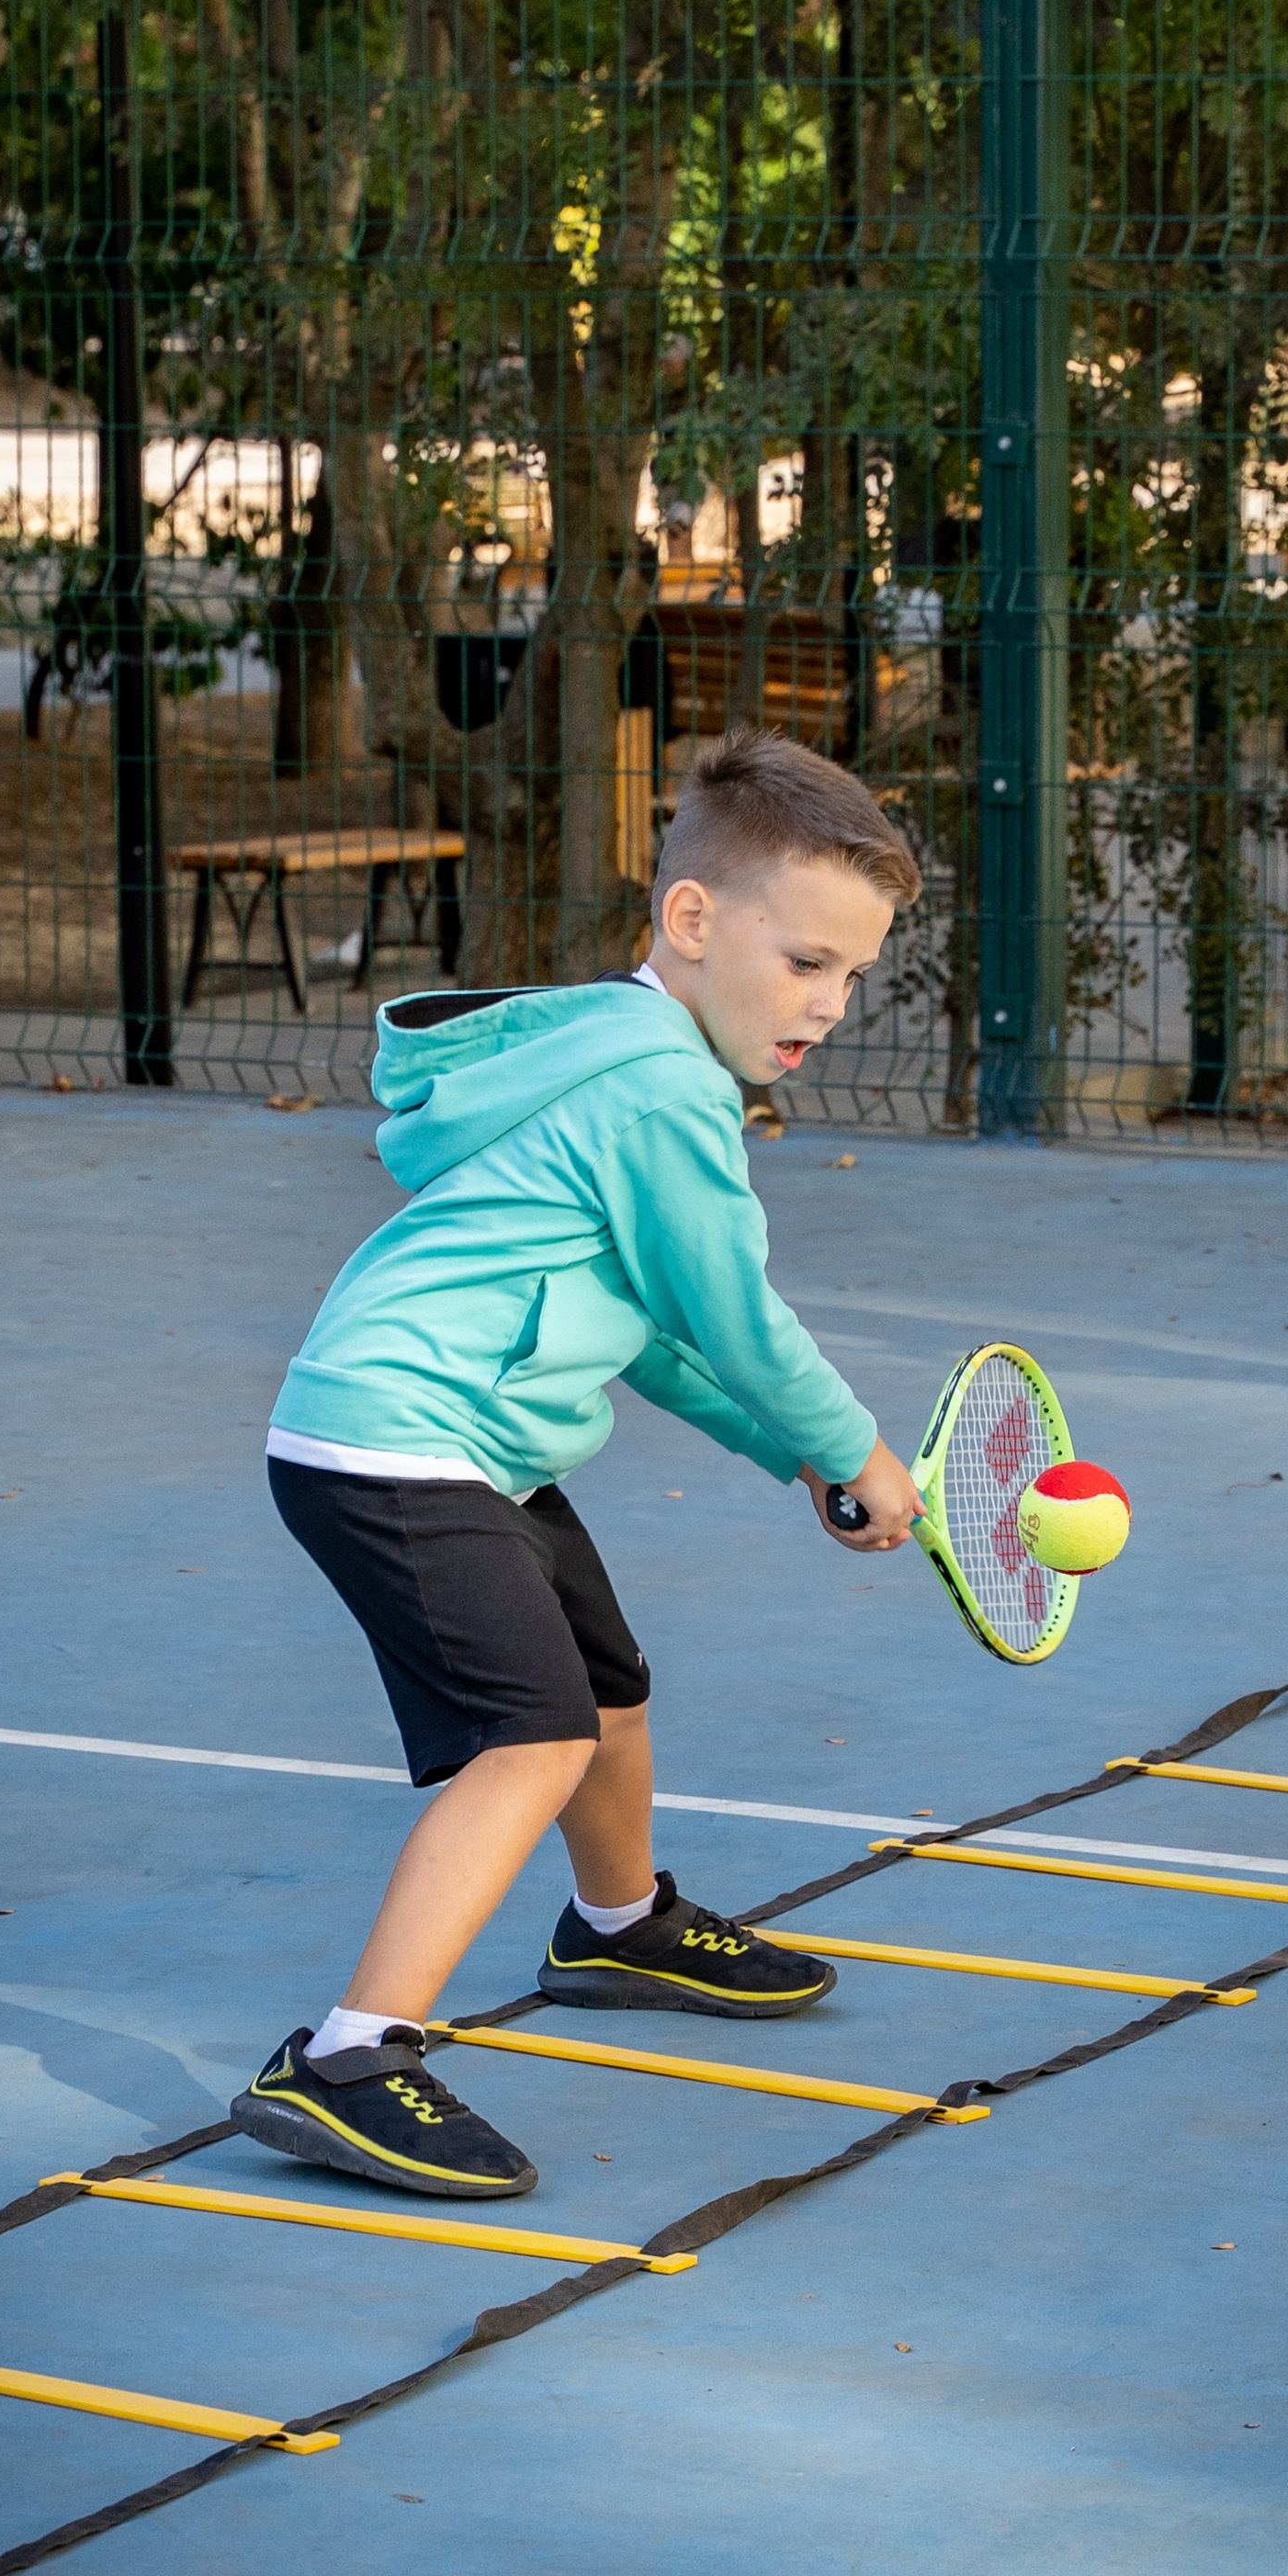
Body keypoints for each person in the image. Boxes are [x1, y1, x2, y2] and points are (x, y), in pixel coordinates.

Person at [233, 729, 925, 2198]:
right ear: (690, 920)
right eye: (807, 961)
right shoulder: (661, 1092)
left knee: (604, 1687)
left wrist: (786, 1459)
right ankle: (349, 2056)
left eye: (854, 976)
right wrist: (848, 1443)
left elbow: (661, 1331)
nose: (832, 1003)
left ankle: (617, 1927)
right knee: (533, 1734)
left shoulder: (615, 1050)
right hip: (395, 1443)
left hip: (466, 1440)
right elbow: (734, 1311)